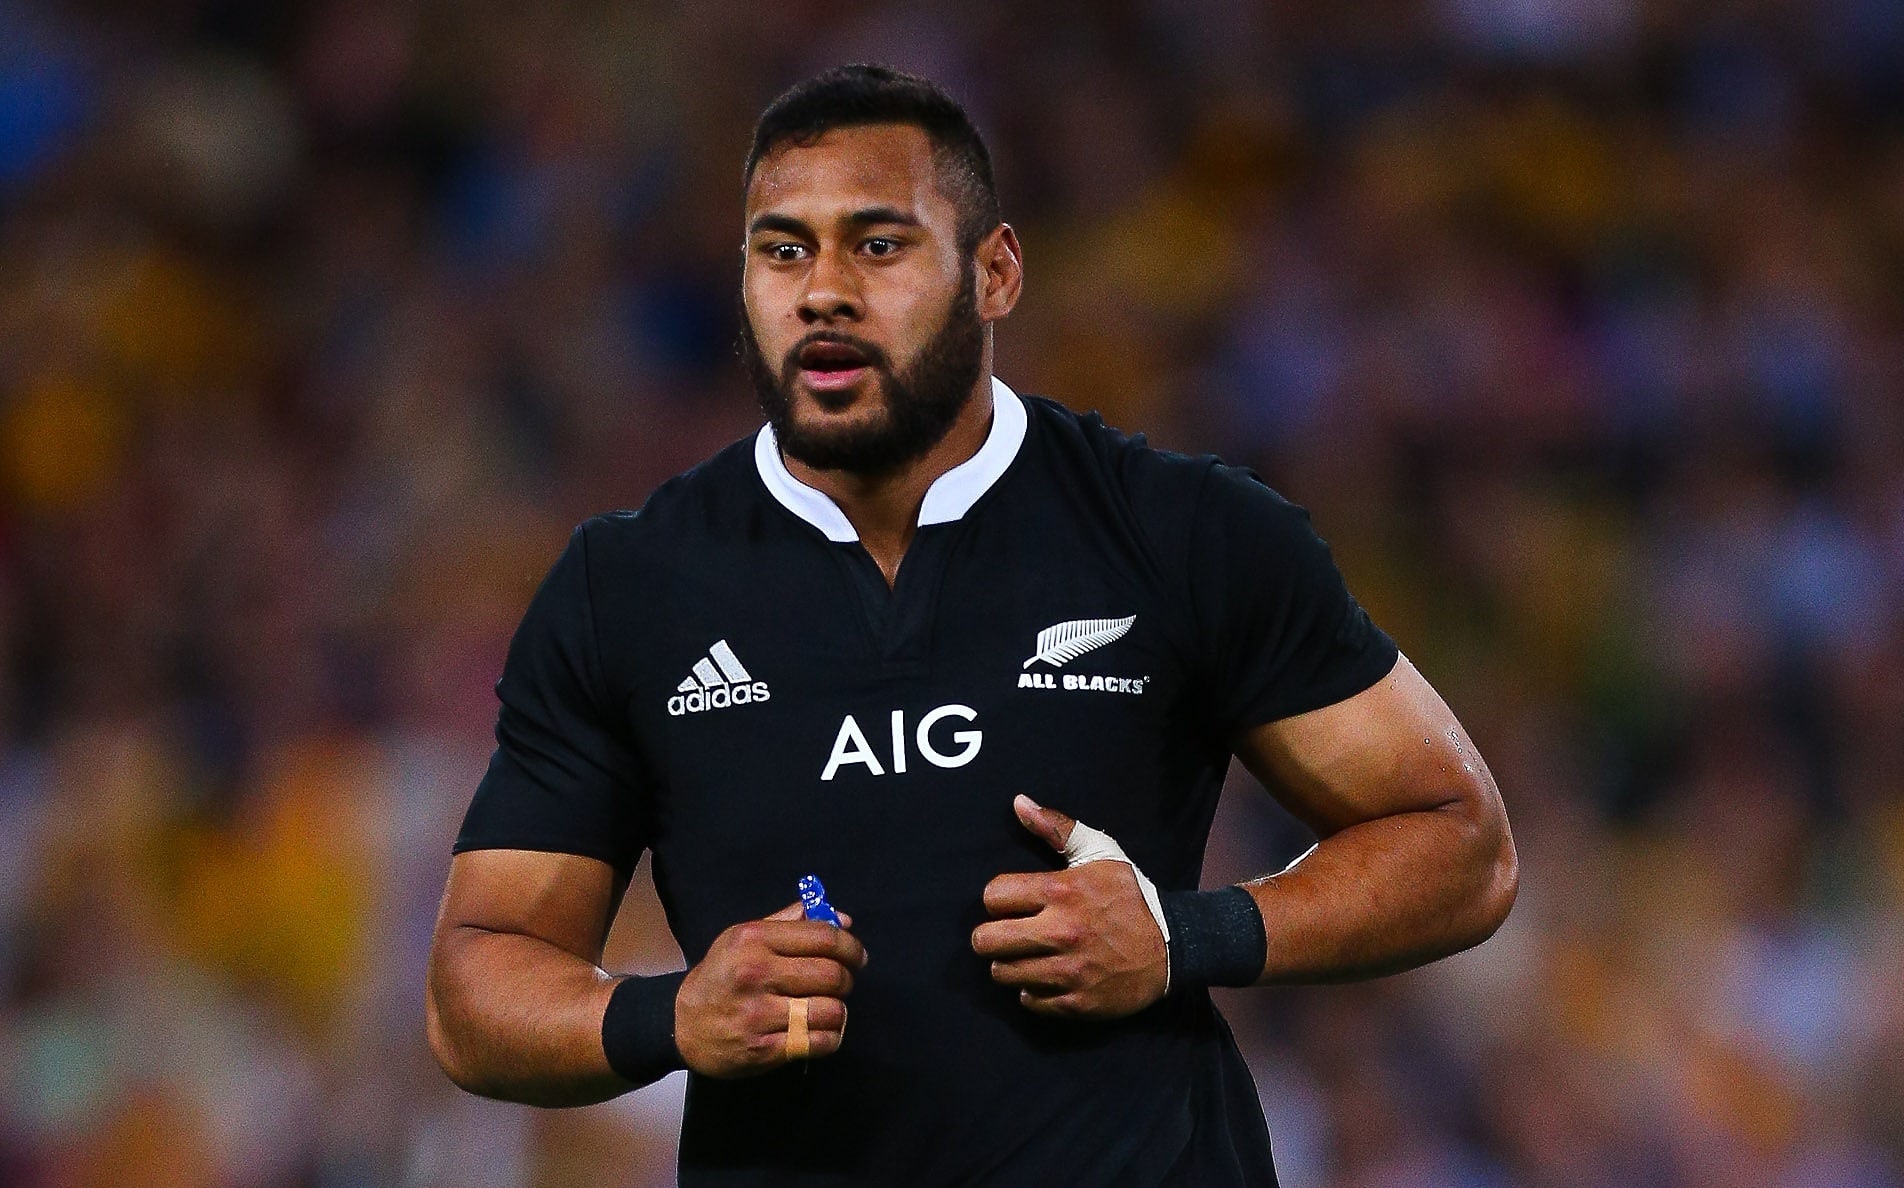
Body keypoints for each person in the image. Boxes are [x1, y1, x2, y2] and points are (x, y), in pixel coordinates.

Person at [424, 63, 1517, 1187]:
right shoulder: (629, 586)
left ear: (993, 273)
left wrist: (1183, 938)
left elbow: (1459, 843)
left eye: (879, 245)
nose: (823, 292)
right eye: (782, 249)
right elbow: (475, 988)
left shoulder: (1181, 530)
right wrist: (667, 1017)